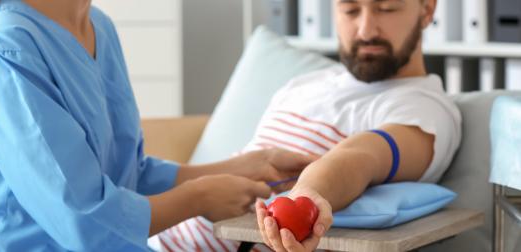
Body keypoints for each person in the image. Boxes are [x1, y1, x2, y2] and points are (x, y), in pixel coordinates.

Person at [0, 0, 313, 251]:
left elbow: (122, 173)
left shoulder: (98, 26)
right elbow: (83, 216)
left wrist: (239, 166)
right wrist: (198, 199)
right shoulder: (9, 47)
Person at [158, 0, 462, 251]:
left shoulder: (424, 110)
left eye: (387, 8)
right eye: (350, 9)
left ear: (427, 9)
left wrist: (307, 195)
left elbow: (361, 158)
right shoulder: (304, 84)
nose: (366, 29)